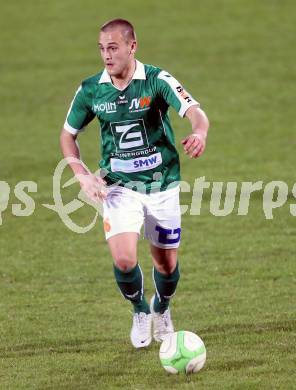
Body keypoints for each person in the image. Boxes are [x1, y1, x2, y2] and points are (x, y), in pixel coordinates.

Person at [60, 18, 209, 348]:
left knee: (166, 265)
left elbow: (196, 112)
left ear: (132, 46)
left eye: (113, 48)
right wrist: (82, 175)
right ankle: (140, 310)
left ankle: (162, 307)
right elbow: (67, 136)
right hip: (118, 186)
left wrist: (199, 132)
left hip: (162, 185)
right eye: (102, 49)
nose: (107, 56)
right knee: (124, 259)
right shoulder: (91, 90)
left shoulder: (156, 80)